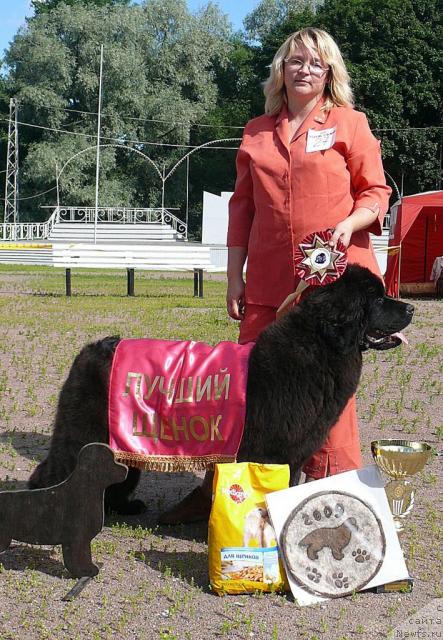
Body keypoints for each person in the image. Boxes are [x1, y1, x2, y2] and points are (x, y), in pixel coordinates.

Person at [158, 27, 391, 525]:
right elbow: (241, 209)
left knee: (327, 395)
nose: (305, 69)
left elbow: (375, 193)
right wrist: (232, 276)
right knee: (244, 394)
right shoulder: (256, 131)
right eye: (296, 61)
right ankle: (221, 496)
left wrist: (346, 226)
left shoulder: (350, 124)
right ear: (281, 70)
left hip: (334, 290)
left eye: (316, 62)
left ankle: (333, 499)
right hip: (265, 285)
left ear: (329, 73)